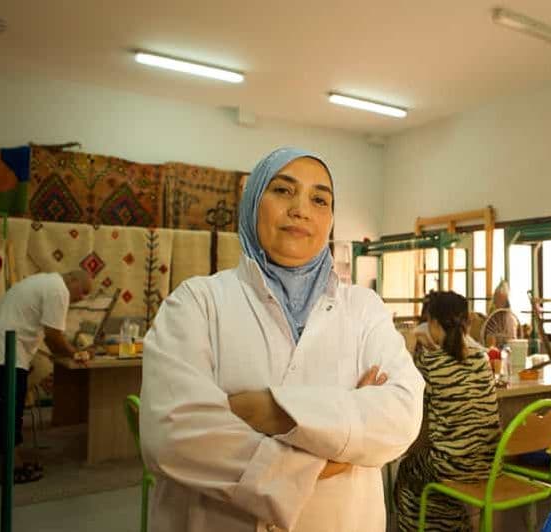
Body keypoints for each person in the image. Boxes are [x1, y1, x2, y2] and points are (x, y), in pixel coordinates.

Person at [140, 147, 425, 532]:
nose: (301, 210)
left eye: (319, 199)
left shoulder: (364, 308)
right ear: (253, 203)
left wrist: (267, 409)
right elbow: (173, 435)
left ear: (330, 219)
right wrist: (336, 452)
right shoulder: (195, 303)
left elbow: (402, 415)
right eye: (282, 191)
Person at [395, 291, 501, 531]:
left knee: (407, 471)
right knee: (432, 467)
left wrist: (410, 345)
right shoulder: (482, 359)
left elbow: (404, 393)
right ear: (468, 322)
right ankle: (452, 525)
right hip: (490, 464)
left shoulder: (430, 363)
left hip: (452, 467)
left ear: (431, 322)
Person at [0, 270, 92, 483]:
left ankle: (15, 462)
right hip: (7, 353)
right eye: (83, 291)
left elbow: (52, 340)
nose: (83, 297)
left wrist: (68, 350)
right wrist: (76, 353)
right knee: (10, 413)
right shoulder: (59, 290)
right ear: (72, 280)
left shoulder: (45, 282)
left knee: (9, 411)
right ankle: (12, 470)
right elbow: (54, 336)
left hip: (8, 350)